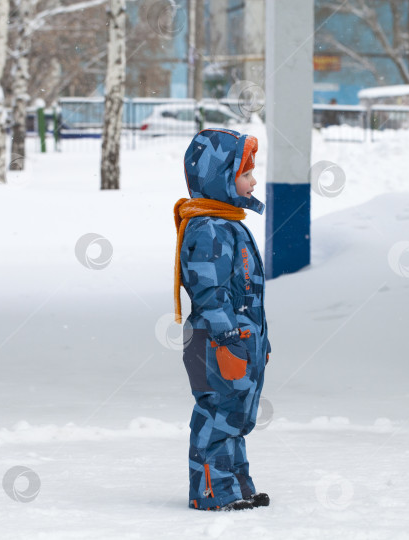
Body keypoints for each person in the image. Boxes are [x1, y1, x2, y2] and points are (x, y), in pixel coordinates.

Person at [173, 129, 271, 511]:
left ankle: (236, 484)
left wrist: (260, 340)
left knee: (237, 416)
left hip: (239, 337)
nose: (254, 181)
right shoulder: (209, 229)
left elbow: (248, 294)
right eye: (246, 173)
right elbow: (209, 293)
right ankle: (211, 489)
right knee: (217, 413)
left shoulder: (228, 222)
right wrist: (227, 338)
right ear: (221, 178)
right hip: (215, 340)